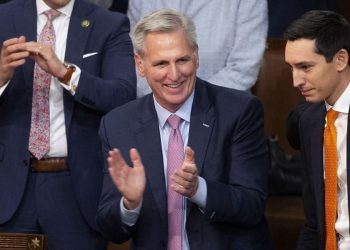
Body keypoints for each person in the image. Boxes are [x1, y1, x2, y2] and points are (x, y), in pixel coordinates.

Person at [97, 9, 272, 250]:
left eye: (182, 60)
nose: (174, 74)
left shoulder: (239, 111)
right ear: (140, 65)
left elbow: (252, 206)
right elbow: (111, 229)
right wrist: (130, 203)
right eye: (161, 63)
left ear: (196, 57)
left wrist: (198, 189)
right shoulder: (118, 124)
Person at [0, 0, 136, 249]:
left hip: (76, 192)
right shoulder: (3, 18)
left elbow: (123, 96)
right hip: (8, 191)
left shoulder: (108, 24)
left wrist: (66, 73)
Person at [284, 10, 350, 250]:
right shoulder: (309, 121)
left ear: (340, 60)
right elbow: (314, 223)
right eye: (291, 68)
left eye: (305, 67)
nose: (296, 80)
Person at [127, 0, 268, 97]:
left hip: (221, 111)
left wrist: (188, 102)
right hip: (152, 109)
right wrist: (163, 103)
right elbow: (134, 60)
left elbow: (244, 68)